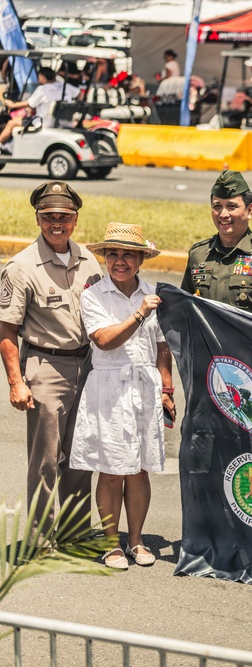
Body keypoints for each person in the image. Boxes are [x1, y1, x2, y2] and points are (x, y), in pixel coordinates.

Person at [70, 223, 173, 570]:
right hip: (110, 387)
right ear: (104, 258)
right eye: (112, 254)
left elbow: (161, 346)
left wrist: (167, 386)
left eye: (128, 254)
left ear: (141, 258)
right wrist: (140, 313)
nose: (120, 261)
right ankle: (112, 544)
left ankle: (137, 540)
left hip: (145, 384)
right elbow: (104, 340)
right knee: (112, 470)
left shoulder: (152, 290)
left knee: (139, 470)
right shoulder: (93, 295)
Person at [0, 181, 102, 527]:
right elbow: (6, 329)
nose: (56, 223)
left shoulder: (88, 259)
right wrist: (16, 381)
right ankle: (42, 538)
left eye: (64, 216)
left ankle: (74, 532)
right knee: (45, 460)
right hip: (45, 367)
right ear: (37, 218)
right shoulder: (21, 267)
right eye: (48, 216)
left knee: (79, 456)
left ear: (75, 219)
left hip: (86, 366)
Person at [180, 170, 252, 316]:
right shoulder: (198, 254)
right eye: (217, 206)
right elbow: (183, 306)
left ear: (249, 211)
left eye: (232, 206)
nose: (223, 214)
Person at [0, 67, 79, 145]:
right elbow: (80, 94)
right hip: (62, 121)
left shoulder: (42, 89)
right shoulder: (65, 86)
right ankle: (10, 145)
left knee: (11, 123)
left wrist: (13, 105)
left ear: (43, 77)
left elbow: (29, 103)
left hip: (43, 122)